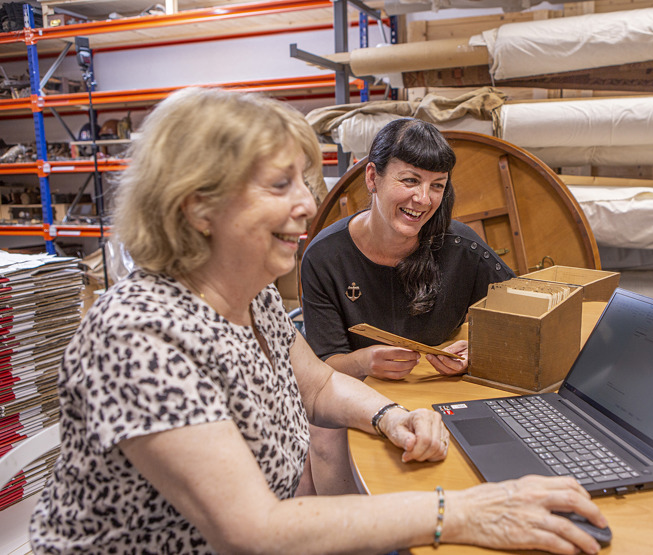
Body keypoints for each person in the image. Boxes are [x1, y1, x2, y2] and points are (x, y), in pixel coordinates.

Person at [28, 87, 607, 555]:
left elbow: (321, 383)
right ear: (196, 206)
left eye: (304, 181)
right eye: (281, 185)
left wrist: (389, 415)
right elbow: (252, 530)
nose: (308, 203)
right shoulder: (139, 338)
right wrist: (461, 512)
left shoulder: (249, 297)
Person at [300, 118, 515, 494]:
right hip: (359, 394)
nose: (424, 200)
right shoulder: (324, 256)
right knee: (323, 436)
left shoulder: (460, 245)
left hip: (441, 391)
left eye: (437, 186)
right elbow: (322, 369)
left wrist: (476, 350)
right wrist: (365, 361)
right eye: (410, 180)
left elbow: (520, 314)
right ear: (372, 178)